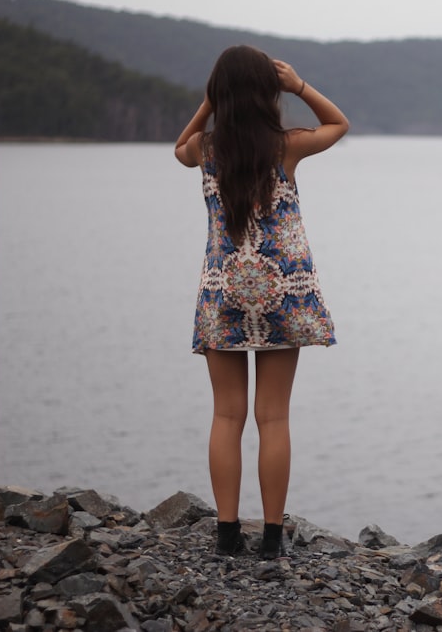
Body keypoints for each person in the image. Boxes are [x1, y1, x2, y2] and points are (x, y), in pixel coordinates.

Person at [174, 45, 349, 558]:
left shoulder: (206, 150)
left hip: (224, 290)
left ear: (219, 93)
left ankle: (227, 535)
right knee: (273, 417)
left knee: (227, 416)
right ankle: (272, 540)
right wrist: (299, 86)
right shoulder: (286, 147)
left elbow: (178, 146)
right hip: (283, 290)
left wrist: (207, 105)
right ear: (267, 93)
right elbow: (338, 124)